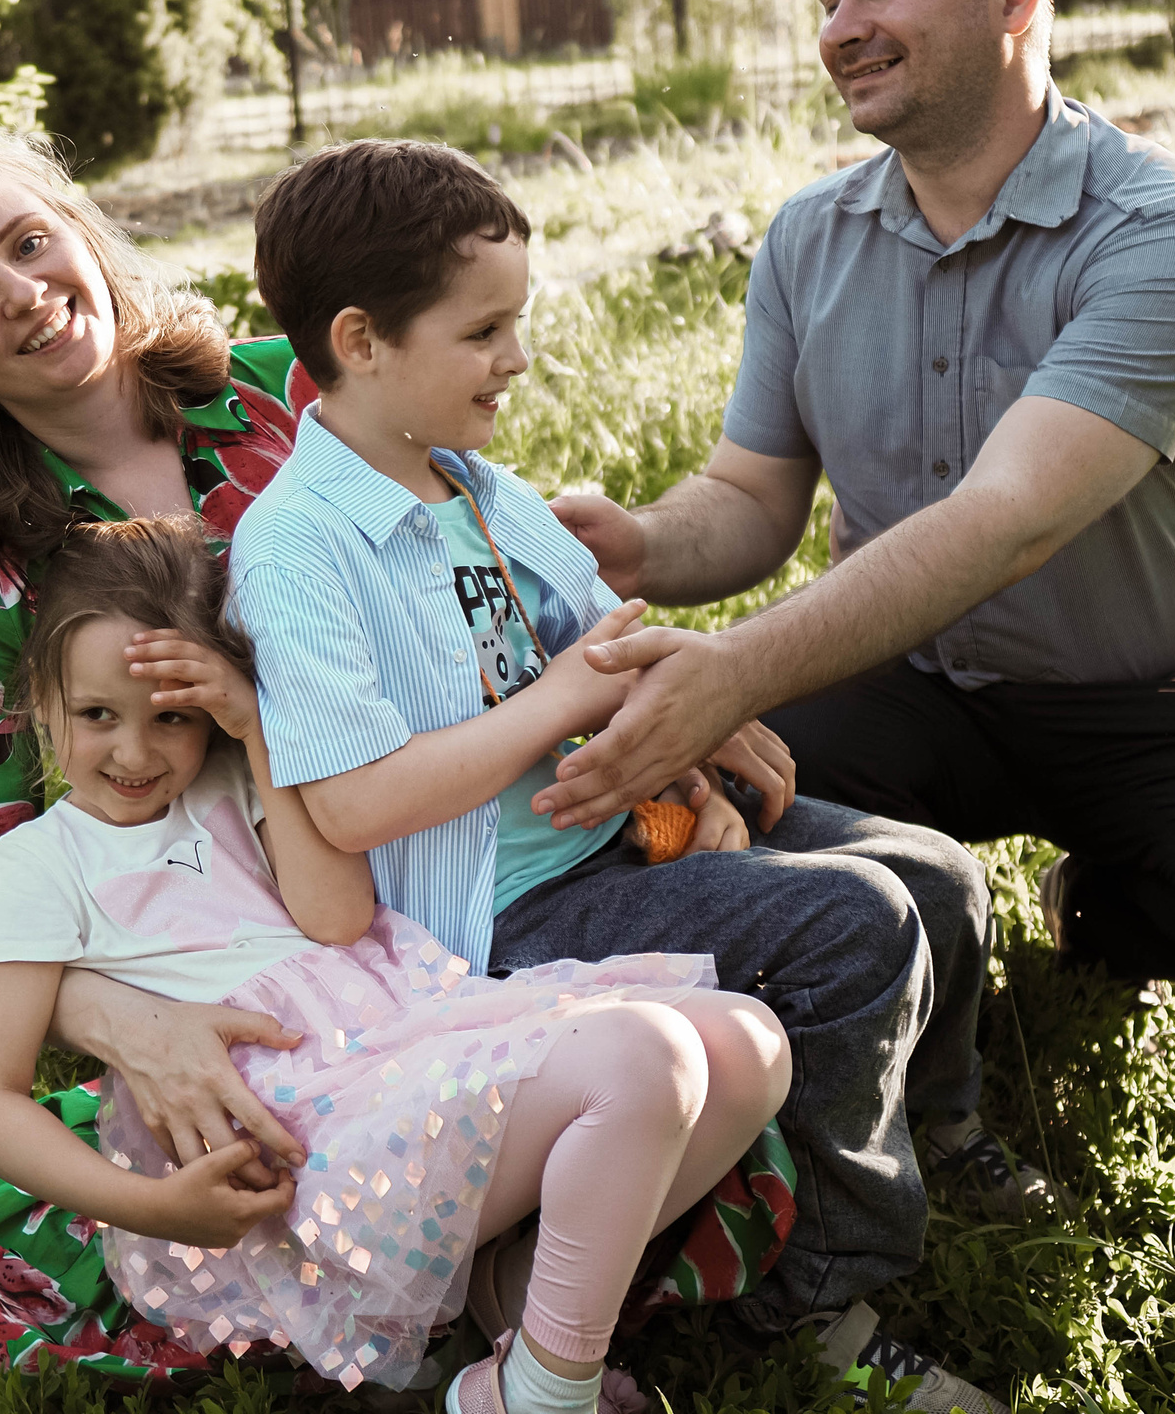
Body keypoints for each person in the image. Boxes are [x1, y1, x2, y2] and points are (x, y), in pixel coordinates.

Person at [0, 130, 804, 1401]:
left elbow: (493, 579)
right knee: (779, 971)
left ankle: (520, 1305)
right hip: (315, 926)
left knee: (807, 920)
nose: (19, 292)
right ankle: (640, 1314)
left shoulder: (281, 395)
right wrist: (128, 1022)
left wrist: (680, 700)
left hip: (468, 829)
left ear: (78, 227)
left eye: (27, 243)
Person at [544, 0, 1175, 1007]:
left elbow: (1006, 522)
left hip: (1147, 697)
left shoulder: (1166, 234)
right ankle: (905, 918)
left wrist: (735, 670)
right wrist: (636, 543)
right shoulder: (810, 237)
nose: (839, 27)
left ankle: (1097, 906)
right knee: (681, 815)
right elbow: (751, 499)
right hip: (901, 684)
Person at [228, 139, 1021, 1414]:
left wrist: (685, 755)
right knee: (849, 927)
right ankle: (813, 1297)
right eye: (483, 330)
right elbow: (353, 803)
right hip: (496, 911)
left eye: (516, 323)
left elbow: (610, 640)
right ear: (362, 340)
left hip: (613, 830)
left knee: (930, 877)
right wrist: (568, 702)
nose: (516, 358)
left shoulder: (479, 488)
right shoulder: (299, 547)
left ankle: (935, 1133)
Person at [0, 516, 791, 1413]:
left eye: (174, 717)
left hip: (397, 1045)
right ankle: (545, 1392)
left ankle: (511, 1307)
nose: (135, 751)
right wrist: (146, 1206)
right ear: (41, 704)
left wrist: (258, 735)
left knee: (750, 1047)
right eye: (95, 716)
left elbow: (336, 915)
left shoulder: (237, 785)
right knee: (641, 1062)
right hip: (298, 1154)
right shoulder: (41, 865)